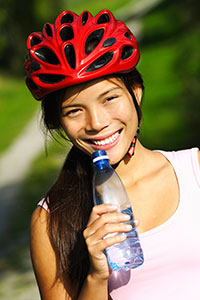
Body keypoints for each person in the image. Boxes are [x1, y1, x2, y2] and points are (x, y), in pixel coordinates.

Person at [25, 9, 200, 300]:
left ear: (136, 91)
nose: (96, 123)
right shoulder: (50, 221)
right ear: (59, 121)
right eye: (74, 111)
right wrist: (97, 275)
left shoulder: (195, 170)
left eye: (110, 98)